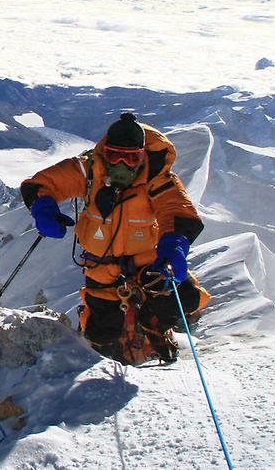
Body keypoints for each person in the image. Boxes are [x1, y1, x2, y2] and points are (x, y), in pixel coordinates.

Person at [20, 112, 210, 364]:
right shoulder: (89, 170)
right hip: (102, 268)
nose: (120, 163)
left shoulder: (157, 178)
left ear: (142, 155)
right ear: (103, 152)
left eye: (130, 157)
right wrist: (43, 207)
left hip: (149, 263)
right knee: (102, 332)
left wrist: (175, 243)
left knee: (185, 297)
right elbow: (42, 183)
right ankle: (100, 341)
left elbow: (176, 210)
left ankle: (155, 326)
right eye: (113, 155)